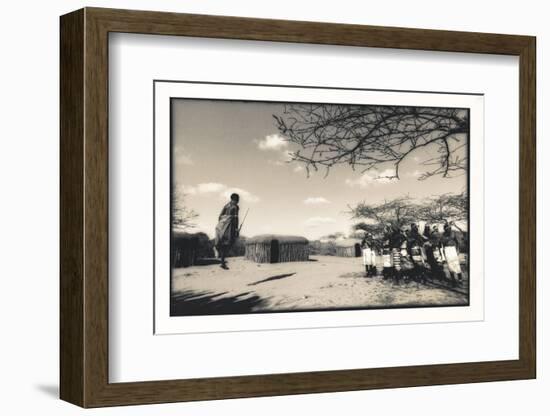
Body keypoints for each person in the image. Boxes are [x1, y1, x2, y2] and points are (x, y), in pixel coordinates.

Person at [214, 193, 240, 269]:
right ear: (234, 199)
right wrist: (236, 229)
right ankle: (222, 262)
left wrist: (222, 223)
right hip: (229, 227)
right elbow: (236, 219)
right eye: (237, 200)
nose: (237, 201)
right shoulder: (235, 207)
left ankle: (222, 262)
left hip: (221, 226)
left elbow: (219, 216)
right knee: (228, 243)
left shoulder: (226, 206)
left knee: (223, 243)